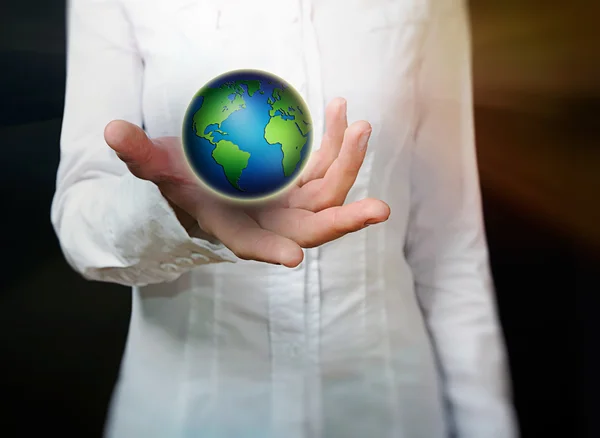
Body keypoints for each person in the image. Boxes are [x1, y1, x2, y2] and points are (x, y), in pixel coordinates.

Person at [52, 0, 517, 437]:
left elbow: (452, 248)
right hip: (190, 414)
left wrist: (489, 425)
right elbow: (81, 223)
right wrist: (176, 214)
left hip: (387, 411)